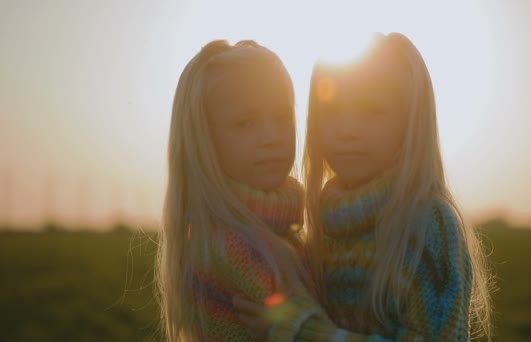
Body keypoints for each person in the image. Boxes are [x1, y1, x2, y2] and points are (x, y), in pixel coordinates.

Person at [235, 33, 493, 341]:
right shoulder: (324, 229)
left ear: (410, 121)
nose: (347, 130)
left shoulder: (428, 224)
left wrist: (305, 332)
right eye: (331, 112)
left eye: (371, 111)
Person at [157, 39, 317, 341]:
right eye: (245, 123)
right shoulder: (233, 251)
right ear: (205, 141)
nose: (271, 136)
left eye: (282, 117)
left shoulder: (276, 234)